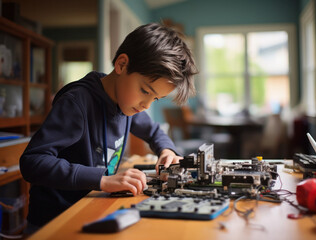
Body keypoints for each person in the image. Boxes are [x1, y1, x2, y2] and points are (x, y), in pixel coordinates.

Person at [20, 22, 197, 234]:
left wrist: (167, 150)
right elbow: (32, 162)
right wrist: (102, 179)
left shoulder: (127, 104)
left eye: (156, 99)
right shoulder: (77, 103)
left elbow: (154, 131)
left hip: (92, 211)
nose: (147, 105)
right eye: (144, 91)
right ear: (122, 65)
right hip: (55, 222)